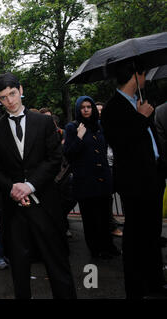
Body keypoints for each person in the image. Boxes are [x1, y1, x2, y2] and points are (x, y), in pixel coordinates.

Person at [0, 72, 76, 299]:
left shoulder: (44, 122)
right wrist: (13, 188)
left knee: (57, 263)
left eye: (13, 94)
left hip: (46, 205)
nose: (10, 101)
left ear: (21, 90)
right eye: (4, 97)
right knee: (19, 268)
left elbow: (55, 159)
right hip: (14, 211)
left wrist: (30, 185)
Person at [100, 58, 167, 299]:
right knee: (135, 238)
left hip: (153, 176)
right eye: (143, 74)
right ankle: (136, 288)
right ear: (135, 75)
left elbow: (147, 140)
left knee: (151, 234)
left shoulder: (138, 102)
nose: (145, 79)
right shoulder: (113, 108)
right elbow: (121, 144)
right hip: (134, 182)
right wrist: (140, 118)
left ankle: (155, 283)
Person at [64, 96, 119, 259]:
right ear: (78, 110)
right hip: (85, 182)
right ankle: (96, 249)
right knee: (90, 219)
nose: (86, 110)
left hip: (103, 180)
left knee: (105, 217)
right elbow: (69, 153)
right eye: (83, 107)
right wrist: (79, 137)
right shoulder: (72, 127)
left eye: (89, 106)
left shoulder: (100, 126)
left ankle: (108, 246)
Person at [96, 101, 123, 238]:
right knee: (106, 198)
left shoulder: (111, 126)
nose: (99, 113)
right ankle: (111, 225)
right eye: (97, 110)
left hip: (117, 165)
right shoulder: (95, 128)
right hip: (105, 167)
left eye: (102, 110)